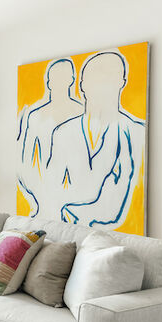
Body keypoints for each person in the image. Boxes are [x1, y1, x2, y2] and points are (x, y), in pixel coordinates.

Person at [46, 51, 145, 228]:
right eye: (95, 79)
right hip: (68, 230)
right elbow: (52, 189)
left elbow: (119, 202)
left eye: (108, 78)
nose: (101, 86)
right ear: (82, 85)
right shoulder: (63, 132)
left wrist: (74, 212)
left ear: (121, 82)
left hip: (112, 232)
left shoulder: (136, 133)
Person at [16, 59, 81, 217]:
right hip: (43, 189)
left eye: (62, 77)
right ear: (49, 82)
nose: (57, 83)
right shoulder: (36, 115)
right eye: (54, 78)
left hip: (76, 187)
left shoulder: (81, 112)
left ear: (71, 80)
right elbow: (26, 161)